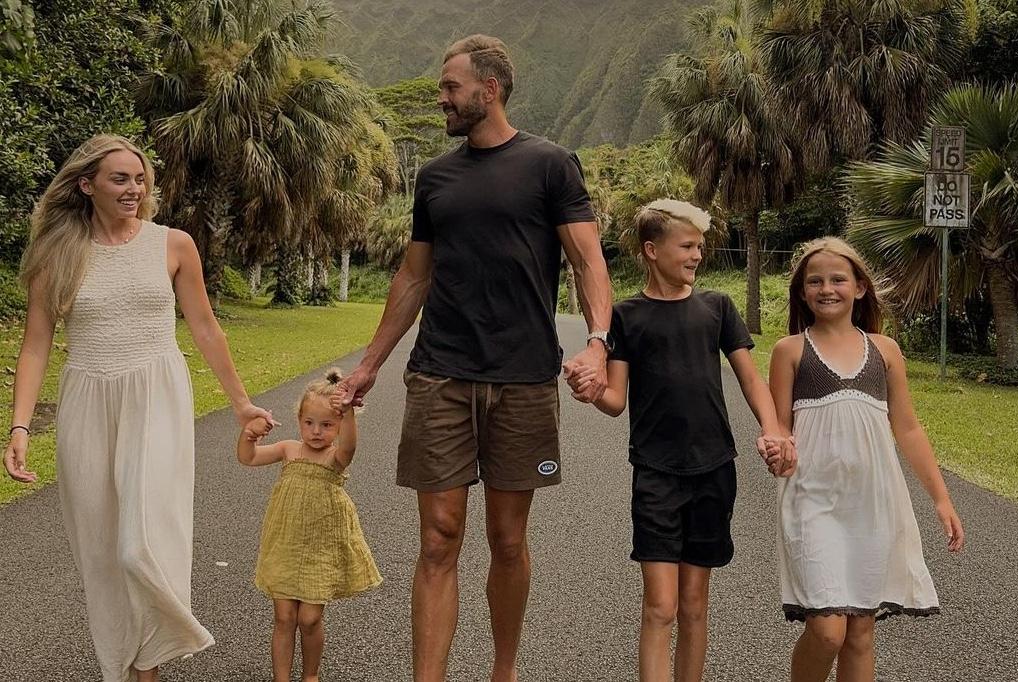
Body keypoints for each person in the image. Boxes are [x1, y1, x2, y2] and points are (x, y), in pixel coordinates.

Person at [333, 34, 613, 682]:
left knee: (508, 540)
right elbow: (411, 278)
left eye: (449, 87)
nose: (441, 98)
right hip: (440, 375)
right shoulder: (436, 178)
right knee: (437, 536)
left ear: (488, 90)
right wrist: (371, 364)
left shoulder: (549, 165)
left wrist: (598, 343)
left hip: (522, 378)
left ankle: (502, 671)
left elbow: (587, 259)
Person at [1, 134, 275, 681]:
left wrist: (241, 403)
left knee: (139, 545)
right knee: (102, 553)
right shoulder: (56, 254)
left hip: (157, 397)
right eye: (120, 179)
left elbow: (204, 326)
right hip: (87, 399)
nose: (134, 188)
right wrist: (20, 427)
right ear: (86, 185)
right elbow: (36, 344)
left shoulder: (173, 244)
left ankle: (159, 649)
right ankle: (129, 669)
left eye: (140, 178)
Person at [563, 199, 795, 682]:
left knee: (693, 604)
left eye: (700, 246)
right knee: (660, 607)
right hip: (656, 472)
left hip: (714, 469)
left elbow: (751, 380)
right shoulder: (627, 317)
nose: (696, 255)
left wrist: (771, 426)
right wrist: (590, 390)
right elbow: (615, 399)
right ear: (652, 250)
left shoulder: (717, 307)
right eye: (687, 245)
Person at [767, 237, 966, 682]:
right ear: (802, 293)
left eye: (838, 279)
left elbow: (908, 428)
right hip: (812, 501)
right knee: (827, 631)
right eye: (814, 281)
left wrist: (941, 499)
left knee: (860, 631)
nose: (826, 288)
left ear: (860, 287)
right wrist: (777, 447)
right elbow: (779, 425)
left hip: (873, 504)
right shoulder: (790, 351)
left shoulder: (886, 350)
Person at [238, 369, 381, 682]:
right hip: (286, 543)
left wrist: (350, 413)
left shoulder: (334, 457)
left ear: (339, 425)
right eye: (309, 423)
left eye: (327, 424)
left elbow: (349, 448)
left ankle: (310, 674)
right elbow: (248, 458)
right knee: (284, 616)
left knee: (310, 618)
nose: (317, 431)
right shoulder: (288, 449)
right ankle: (282, 677)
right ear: (299, 420)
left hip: (321, 546)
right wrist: (248, 436)